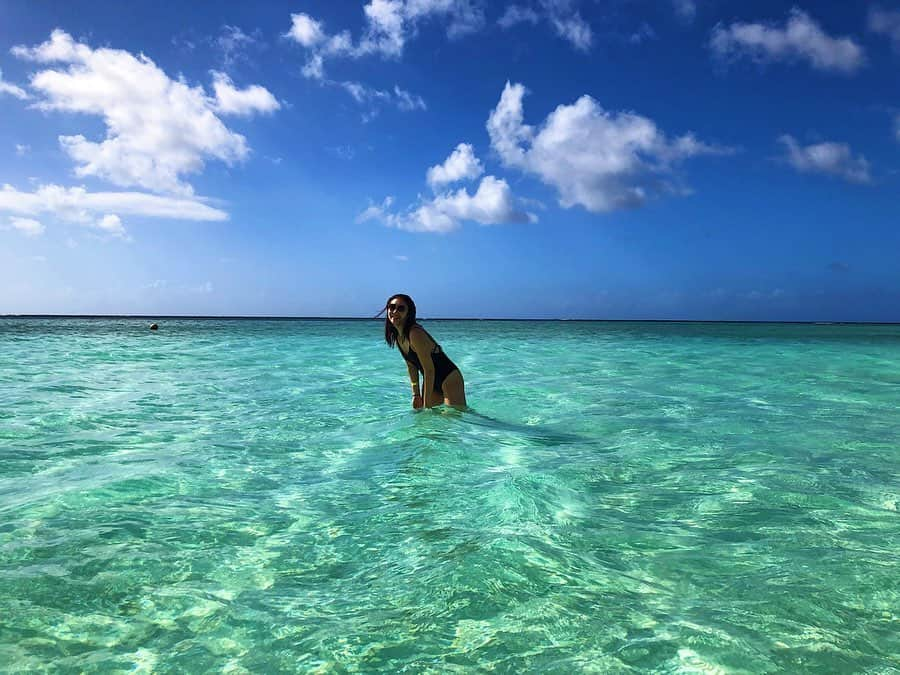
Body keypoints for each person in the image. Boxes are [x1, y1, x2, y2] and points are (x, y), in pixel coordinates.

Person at [379, 294, 466, 409]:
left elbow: (429, 369)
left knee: (458, 418)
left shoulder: (415, 333)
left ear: (408, 313)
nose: (395, 311)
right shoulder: (398, 337)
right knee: (430, 421)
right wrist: (416, 394)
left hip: (449, 378)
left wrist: (426, 403)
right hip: (431, 380)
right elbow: (411, 366)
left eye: (401, 308)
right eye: (392, 307)